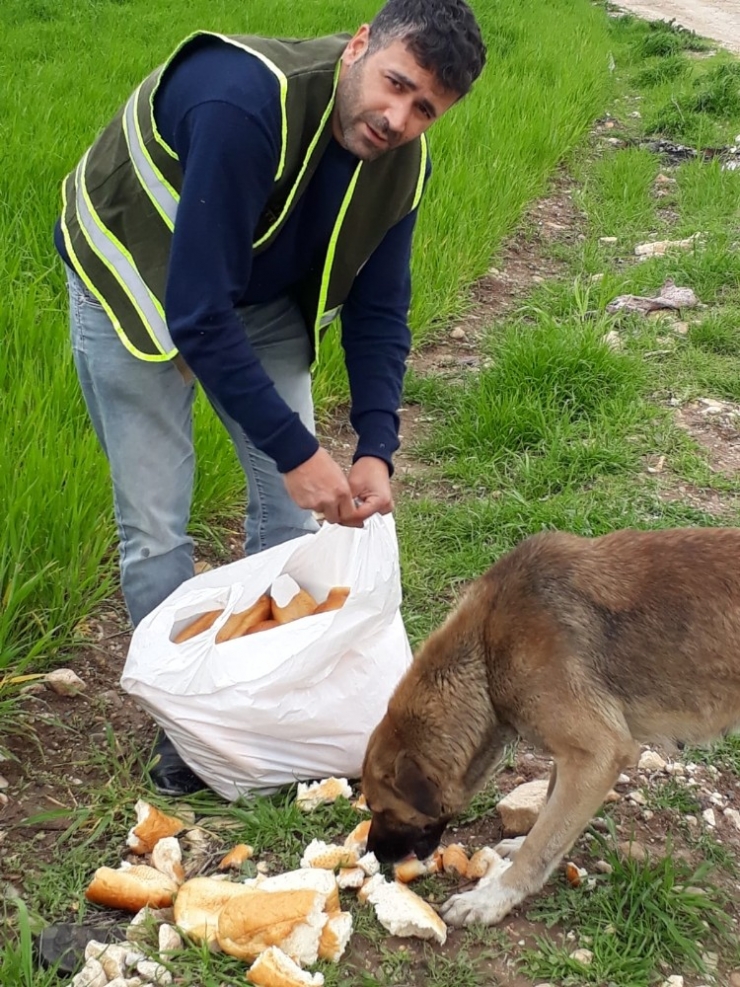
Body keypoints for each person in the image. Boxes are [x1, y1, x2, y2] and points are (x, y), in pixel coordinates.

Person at [56, 0, 486, 796]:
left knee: (294, 517)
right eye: (394, 83)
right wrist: (297, 452)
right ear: (360, 43)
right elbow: (192, 311)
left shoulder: (401, 166)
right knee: (157, 524)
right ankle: (185, 730)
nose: (397, 117)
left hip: (252, 294)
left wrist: (374, 447)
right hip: (135, 276)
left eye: (424, 107)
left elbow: (380, 308)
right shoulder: (246, 101)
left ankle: (262, 698)